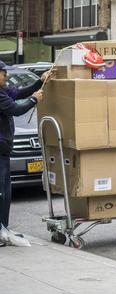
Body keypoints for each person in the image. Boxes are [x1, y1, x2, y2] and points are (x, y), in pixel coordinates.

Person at [0, 61, 51, 234]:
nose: (6, 75)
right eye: (3, 73)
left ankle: (3, 229)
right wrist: (34, 99)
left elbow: (19, 92)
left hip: (4, 151)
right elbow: (16, 109)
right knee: (2, 193)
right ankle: (2, 230)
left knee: (5, 193)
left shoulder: (3, 91)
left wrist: (40, 81)